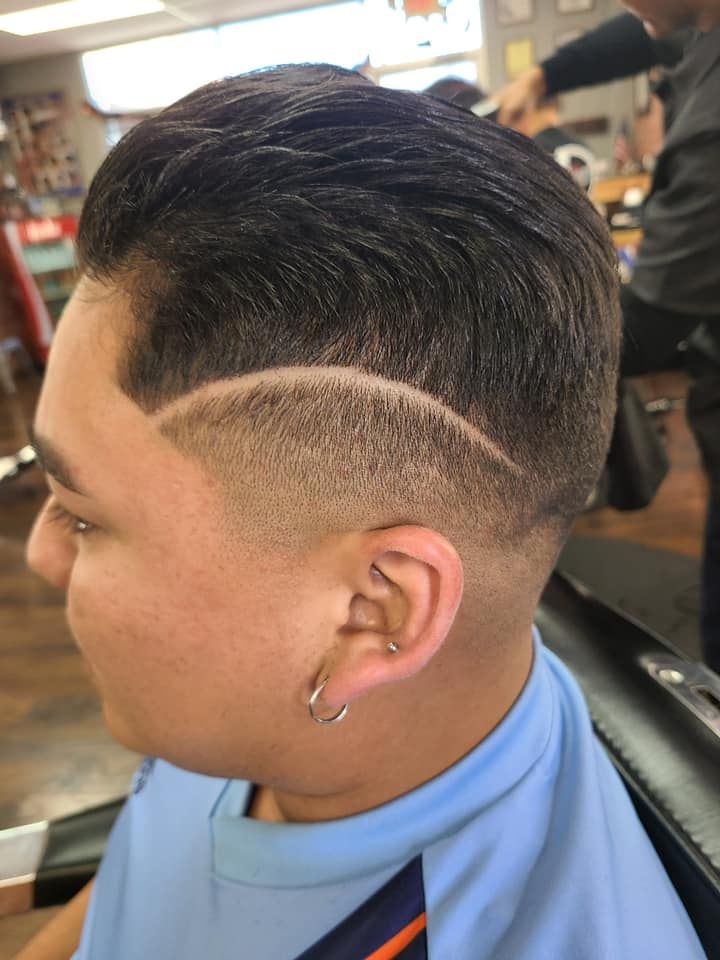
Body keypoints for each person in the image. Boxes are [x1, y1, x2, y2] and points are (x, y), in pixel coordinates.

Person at [17, 65, 704, 960]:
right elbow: (149, 869)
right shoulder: (239, 698)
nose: (40, 555)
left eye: (83, 517)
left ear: (372, 613)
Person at [497, 2, 720, 674]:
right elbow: (648, 32)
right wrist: (542, 75)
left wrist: (484, 340)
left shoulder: (712, 128)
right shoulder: (696, 31)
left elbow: (644, 330)